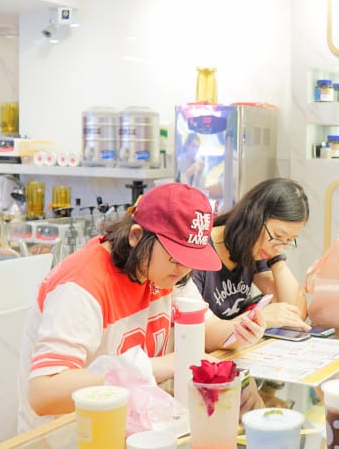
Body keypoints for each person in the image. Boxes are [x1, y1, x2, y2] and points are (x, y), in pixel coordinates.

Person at [18, 182, 265, 433]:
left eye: (191, 259)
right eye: (176, 257)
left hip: (132, 426)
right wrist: (162, 365)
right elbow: (44, 393)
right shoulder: (81, 285)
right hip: (68, 438)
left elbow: (205, 327)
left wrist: (240, 330)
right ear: (136, 236)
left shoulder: (166, 272)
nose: (183, 269)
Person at [177, 177, 311, 331]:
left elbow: (295, 313)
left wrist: (277, 259)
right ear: (255, 217)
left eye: (289, 241)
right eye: (278, 235)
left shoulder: (253, 251)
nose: (280, 248)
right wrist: (258, 319)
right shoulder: (200, 250)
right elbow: (195, 329)